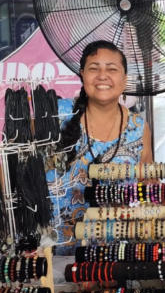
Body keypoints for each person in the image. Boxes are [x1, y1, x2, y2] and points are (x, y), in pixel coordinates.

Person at [47, 41, 153, 255]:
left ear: (125, 79)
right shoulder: (56, 116)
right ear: (82, 75)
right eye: (94, 68)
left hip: (114, 259)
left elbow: (147, 185)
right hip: (52, 255)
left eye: (112, 69)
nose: (102, 76)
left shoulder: (138, 127)